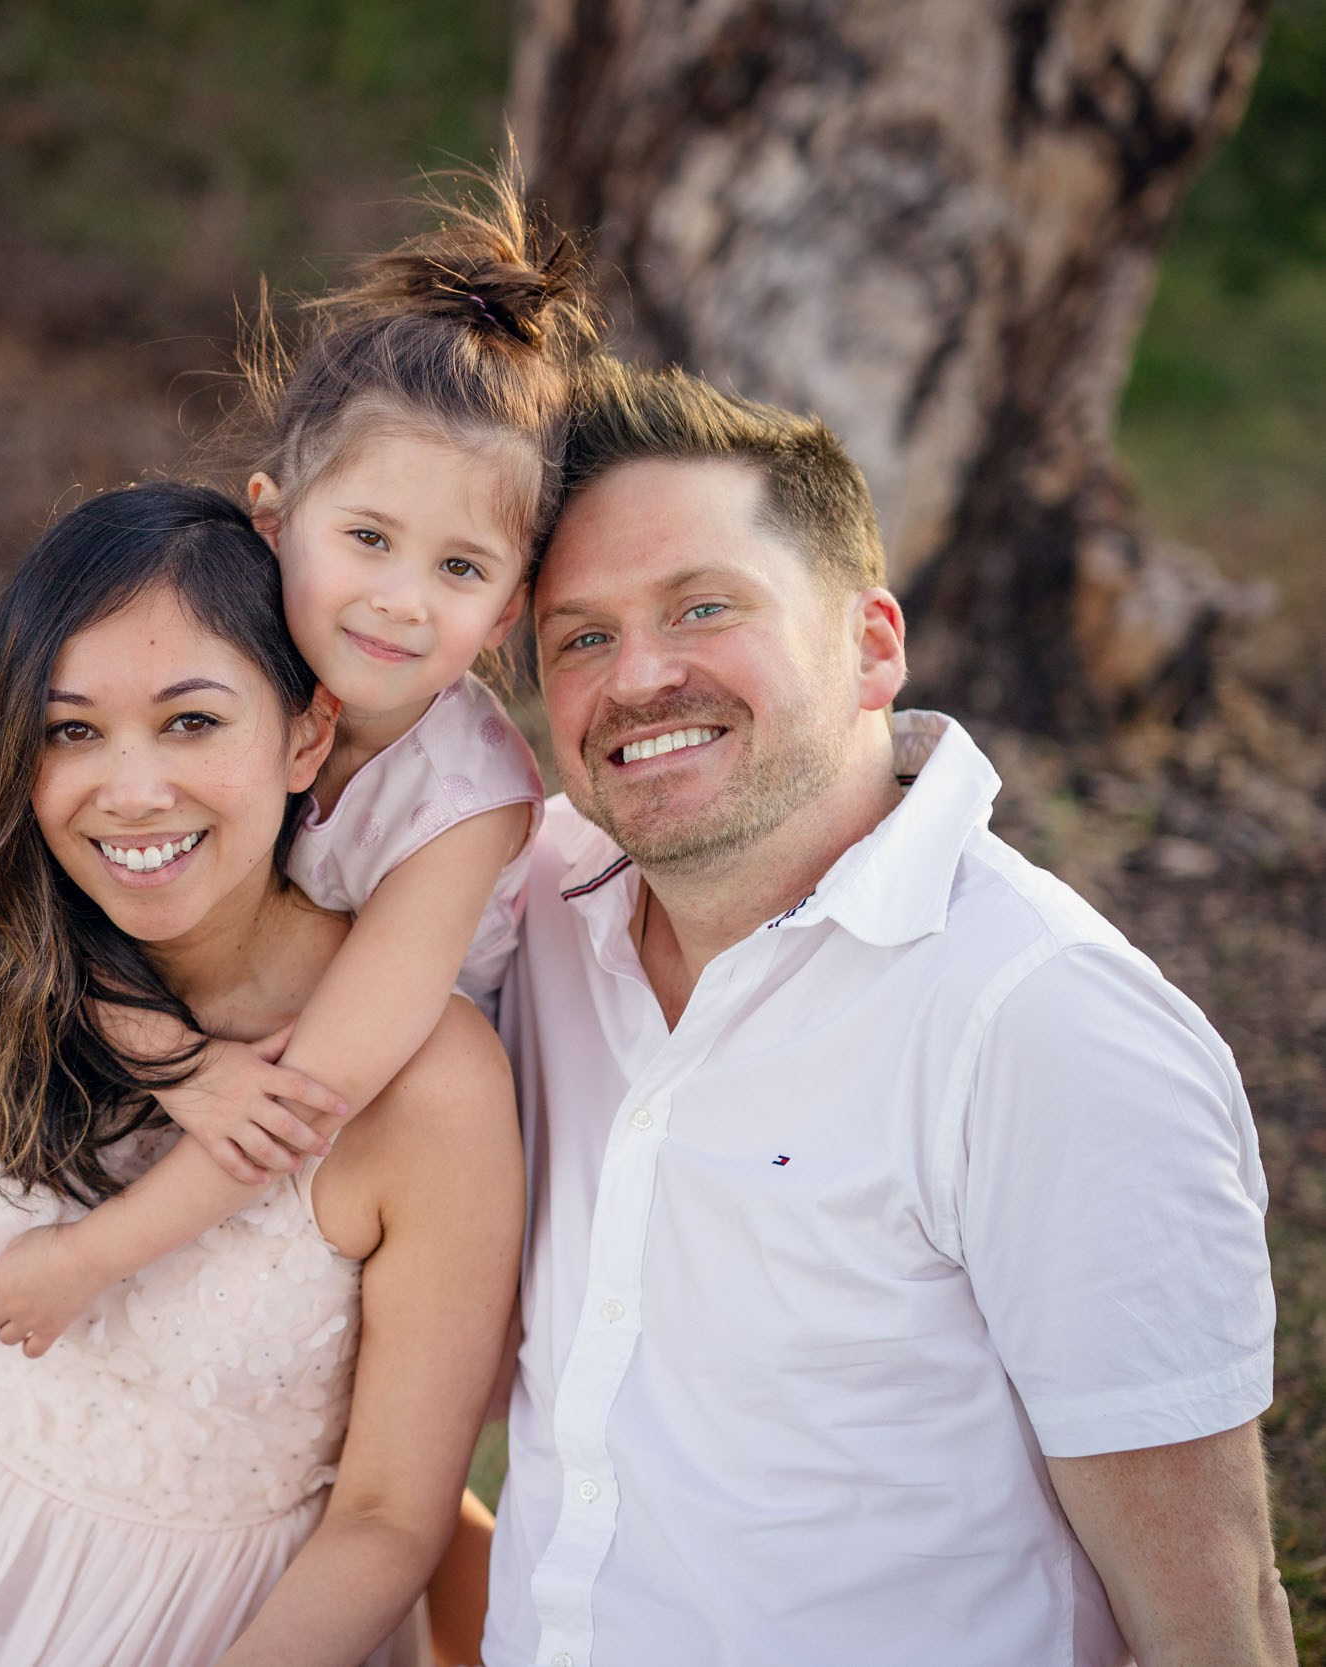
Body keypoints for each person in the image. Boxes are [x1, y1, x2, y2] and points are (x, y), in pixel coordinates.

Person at [459, 357, 1291, 1665]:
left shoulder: (1042, 1021)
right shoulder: (531, 902)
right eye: (582, 637)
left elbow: (1213, 1616)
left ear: (873, 644)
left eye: (703, 605)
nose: (639, 678)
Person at [0, 483, 524, 1667]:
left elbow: (390, 1521)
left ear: (305, 734)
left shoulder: (425, 1087)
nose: (129, 791)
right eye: (70, 729)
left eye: (191, 721)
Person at [0, 171, 594, 1357]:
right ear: (272, 517)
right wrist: (174, 1056)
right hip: (224, 1057)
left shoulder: (463, 801)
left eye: (460, 570)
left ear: (510, 608)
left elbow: (315, 1095)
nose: (400, 603)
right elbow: (37, 878)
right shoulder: (205, 660)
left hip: (396, 1132)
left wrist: (91, 1259)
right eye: (367, 538)